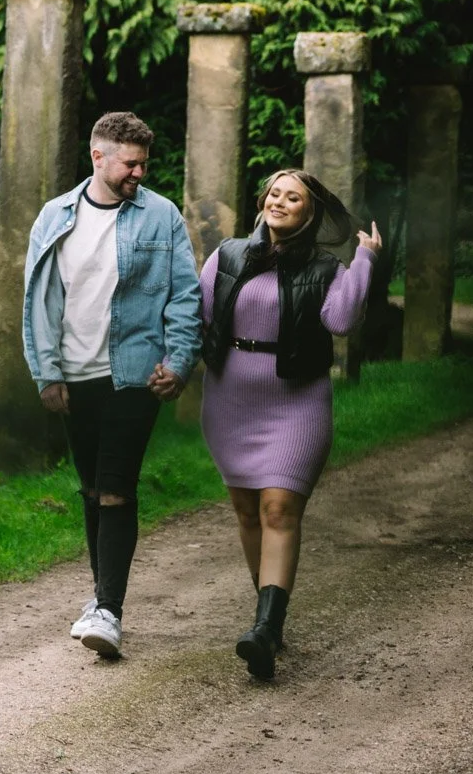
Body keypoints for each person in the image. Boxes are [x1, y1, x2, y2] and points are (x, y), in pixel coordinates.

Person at [22, 111, 202, 659]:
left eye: (144, 164)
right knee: (92, 489)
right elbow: (38, 302)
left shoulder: (161, 215)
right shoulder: (55, 216)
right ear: (98, 157)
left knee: (117, 487)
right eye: (130, 163)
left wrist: (179, 361)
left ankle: (109, 610)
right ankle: (102, 596)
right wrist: (46, 372)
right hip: (76, 375)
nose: (139, 173)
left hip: (135, 373)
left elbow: (185, 294)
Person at [197, 168, 383, 680]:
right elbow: (199, 318)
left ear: (309, 212)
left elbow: (341, 321)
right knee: (247, 512)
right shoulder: (227, 255)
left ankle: (265, 628)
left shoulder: (325, 267)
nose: (279, 202)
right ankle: (268, 621)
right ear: (263, 202)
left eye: (293, 198)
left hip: (297, 401)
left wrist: (365, 259)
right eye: (274, 193)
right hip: (230, 399)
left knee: (278, 508)